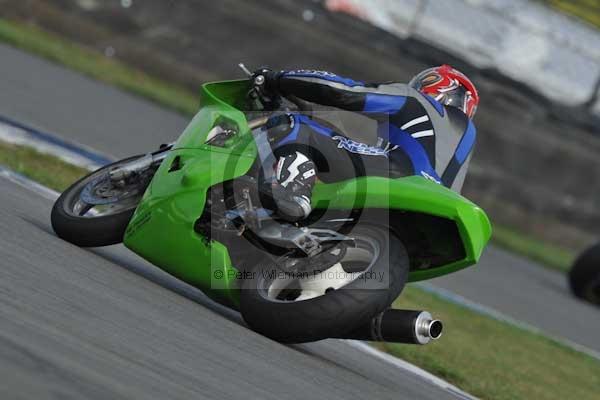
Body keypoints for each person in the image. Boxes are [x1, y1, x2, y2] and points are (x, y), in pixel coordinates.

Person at [253, 65, 479, 222]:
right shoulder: (467, 139)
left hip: (399, 173)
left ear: (442, 88)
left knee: (296, 123)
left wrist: (278, 79)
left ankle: (292, 194)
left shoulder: (417, 101)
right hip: (433, 211)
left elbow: (345, 92)